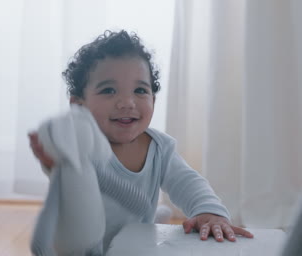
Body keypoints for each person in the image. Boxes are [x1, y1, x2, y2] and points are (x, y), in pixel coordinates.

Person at [29, 30, 253, 246]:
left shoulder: (159, 148)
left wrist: (209, 211)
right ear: (79, 106)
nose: (127, 102)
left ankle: (154, 217)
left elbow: (187, 182)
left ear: (153, 101)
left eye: (140, 91)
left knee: (140, 231)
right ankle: (156, 215)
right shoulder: (80, 146)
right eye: (108, 90)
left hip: (134, 245)